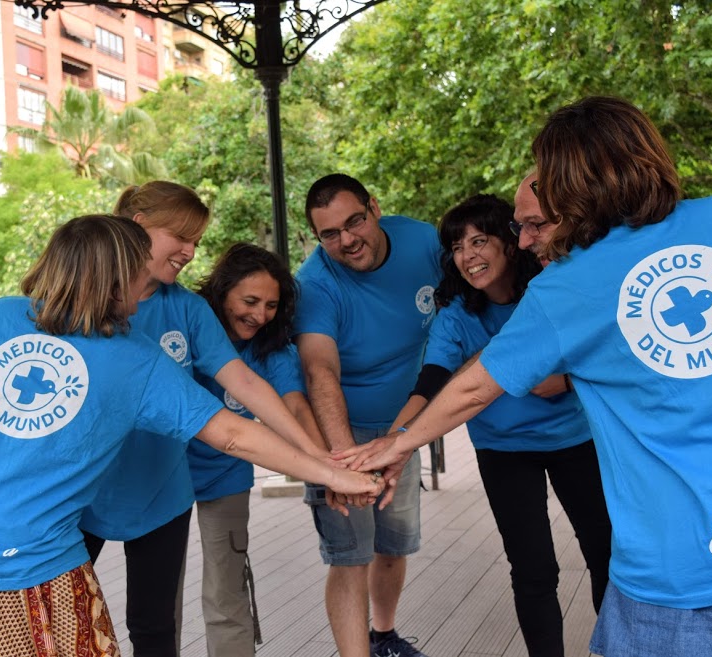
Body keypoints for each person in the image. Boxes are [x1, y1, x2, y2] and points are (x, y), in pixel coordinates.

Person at [336, 96, 712, 657]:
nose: (526, 239)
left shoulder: (568, 285)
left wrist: (396, 445)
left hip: (682, 579)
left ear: (580, 182)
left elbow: (476, 387)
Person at [0, 214, 382, 657]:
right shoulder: (135, 359)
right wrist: (332, 472)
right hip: (23, 572)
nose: (150, 282)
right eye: (139, 271)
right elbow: (232, 434)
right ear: (112, 279)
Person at [79, 183, 331, 657]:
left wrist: (318, 457)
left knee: (155, 623)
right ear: (138, 228)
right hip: (87, 487)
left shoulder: (188, 309)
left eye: (197, 240)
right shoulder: (83, 298)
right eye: (183, 237)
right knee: (63, 610)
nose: (192, 251)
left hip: (167, 489)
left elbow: (247, 387)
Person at [388, 194, 611, 656]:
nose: (467, 256)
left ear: (512, 244)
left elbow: (608, 349)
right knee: (533, 572)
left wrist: (567, 379)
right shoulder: (455, 316)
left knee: (605, 555)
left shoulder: (551, 290)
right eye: (457, 246)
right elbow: (432, 383)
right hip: (503, 451)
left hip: (574, 441)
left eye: (480, 241)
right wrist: (393, 444)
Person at [294, 173, 441, 657]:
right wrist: (339, 462)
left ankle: (385, 636)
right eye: (329, 234)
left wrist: (407, 434)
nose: (346, 240)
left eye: (354, 221)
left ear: (374, 207)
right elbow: (320, 372)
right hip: (343, 432)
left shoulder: (422, 240)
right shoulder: (315, 283)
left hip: (403, 425)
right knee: (349, 556)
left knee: (394, 546)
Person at [191, 242, 327, 656]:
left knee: (226, 588)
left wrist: (328, 467)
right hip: (164, 476)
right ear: (221, 291)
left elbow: (295, 407)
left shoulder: (273, 348)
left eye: (271, 305)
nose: (259, 314)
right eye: (249, 301)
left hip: (225, 474)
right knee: (159, 593)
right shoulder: (189, 326)